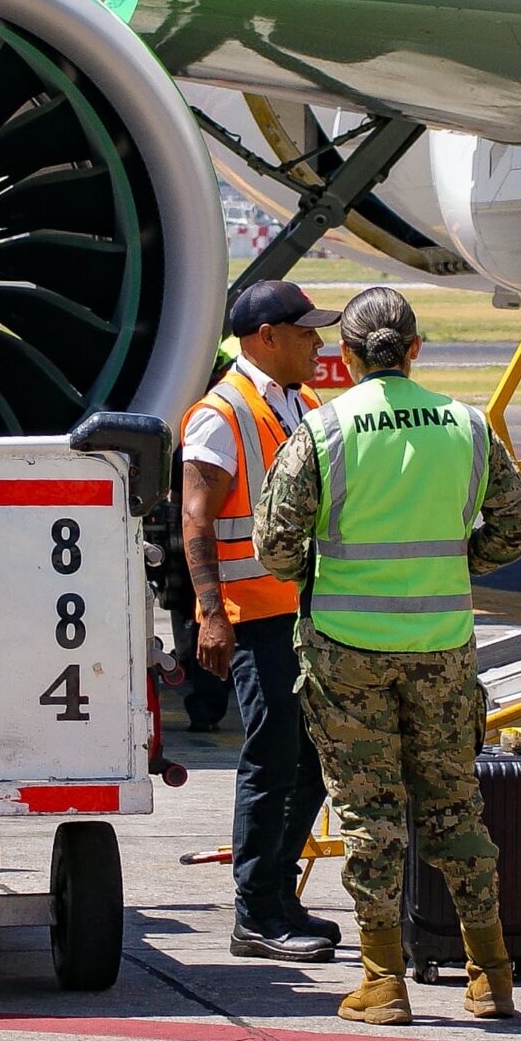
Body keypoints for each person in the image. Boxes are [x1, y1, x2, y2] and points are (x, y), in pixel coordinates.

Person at [255, 286, 521, 1025]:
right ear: (415, 349)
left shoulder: (323, 432)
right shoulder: (466, 426)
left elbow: (275, 548)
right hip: (442, 645)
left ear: (345, 358)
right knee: (455, 807)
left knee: (367, 813)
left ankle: (382, 980)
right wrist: (455, 560)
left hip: (349, 650)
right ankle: (491, 973)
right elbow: (516, 527)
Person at [180, 280, 342, 961]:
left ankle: (277, 891)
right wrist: (211, 615)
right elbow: (195, 517)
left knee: (308, 759)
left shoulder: (301, 402)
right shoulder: (221, 414)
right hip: (253, 615)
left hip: (303, 611)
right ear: (265, 337)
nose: (318, 342)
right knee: (272, 757)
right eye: (306, 331)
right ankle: (255, 909)